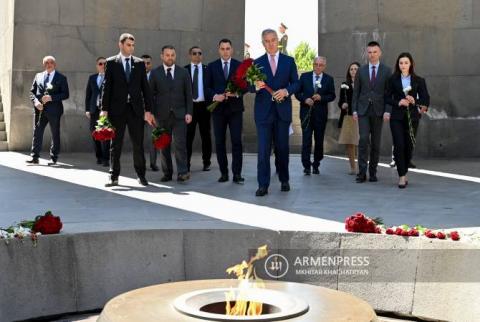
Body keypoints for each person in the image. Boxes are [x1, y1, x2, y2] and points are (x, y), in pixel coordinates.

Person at [101, 33, 155, 187]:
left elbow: (146, 89)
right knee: (115, 144)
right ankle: (113, 176)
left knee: (138, 144)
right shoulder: (111, 63)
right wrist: (103, 109)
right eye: (128, 45)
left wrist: (148, 110)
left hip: (135, 111)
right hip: (116, 110)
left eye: (133, 45)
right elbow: (107, 87)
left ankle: (141, 175)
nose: (131, 48)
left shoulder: (139, 63)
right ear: (120, 44)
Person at [252, 29, 299, 196]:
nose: (270, 43)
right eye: (267, 41)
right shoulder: (256, 63)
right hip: (263, 114)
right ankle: (262, 185)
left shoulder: (288, 61)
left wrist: (286, 91)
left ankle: (284, 179)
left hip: (282, 113)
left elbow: (296, 84)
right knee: (263, 150)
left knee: (282, 148)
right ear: (262, 43)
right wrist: (256, 85)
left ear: (277, 40)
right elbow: (249, 86)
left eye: (273, 40)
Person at [149, 45, 193, 182]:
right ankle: (167, 173)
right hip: (161, 116)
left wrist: (189, 112)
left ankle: (182, 172)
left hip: (180, 114)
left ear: (175, 56)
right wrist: (150, 113)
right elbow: (150, 95)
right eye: (167, 55)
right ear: (162, 56)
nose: (170, 57)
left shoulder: (183, 72)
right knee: (164, 145)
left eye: (172, 55)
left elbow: (189, 94)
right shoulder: (155, 73)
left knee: (180, 144)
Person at [385, 52, 429, 188]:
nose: (403, 65)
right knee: (399, 145)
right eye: (401, 63)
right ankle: (402, 176)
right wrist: (399, 102)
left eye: (406, 63)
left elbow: (426, 99)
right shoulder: (392, 79)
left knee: (409, 146)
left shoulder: (419, 80)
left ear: (411, 64)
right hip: (396, 117)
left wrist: (414, 100)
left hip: (412, 117)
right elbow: (386, 97)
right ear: (398, 64)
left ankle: (405, 168)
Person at [206, 39, 245, 184]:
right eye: (222, 48)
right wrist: (215, 96)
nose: (225, 51)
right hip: (218, 110)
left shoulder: (239, 66)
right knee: (220, 142)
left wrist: (237, 93)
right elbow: (207, 87)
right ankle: (224, 173)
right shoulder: (211, 66)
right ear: (219, 50)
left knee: (236, 142)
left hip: (235, 110)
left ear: (232, 50)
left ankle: (237, 174)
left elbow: (246, 86)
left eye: (228, 48)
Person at [352, 41, 392, 183]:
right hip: (363, 111)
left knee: (375, 143)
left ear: (379, 53)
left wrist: (388, 110)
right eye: (369, 52)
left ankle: (373, 172)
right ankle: (361, 173)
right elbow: (356, 92)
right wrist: (354, 110)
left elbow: (389, 94)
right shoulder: (361, 71)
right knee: (363, 140)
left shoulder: (387, 71)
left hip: (378, 111)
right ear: (366, 53)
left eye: (375, 52)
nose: (372, 55)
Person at [295, 56, 336, 175]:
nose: (318, 67)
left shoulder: (329, 79)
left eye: (320, 65)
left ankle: (316, 163)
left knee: (319, 141)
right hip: (306, 114)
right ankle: (306, 165)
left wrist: (321, 98)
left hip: (320, 115)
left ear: (324, 66)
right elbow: (297, 93)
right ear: (313, 65)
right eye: (315, 64)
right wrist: (305, 99)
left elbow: (332, 95)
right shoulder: (304, 76)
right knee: (306, 140)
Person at [27, 55, 69, 165]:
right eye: (46, 63)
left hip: (54, 110)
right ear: (43, 64)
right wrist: (36, 102)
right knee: (37, 132)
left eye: (50, 62)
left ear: (54, 65)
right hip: (40, 110)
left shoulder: (61, 78)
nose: (48, 64)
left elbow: (65, 94)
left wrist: (51, 98)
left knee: (55, 133)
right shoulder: (38, 76)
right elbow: (32, 92)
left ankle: (53, 157)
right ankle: (35, 157)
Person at [185, 46, 212, 172]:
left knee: (206, 135)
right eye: (194, 53)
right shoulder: (184, 70)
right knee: (188, 136)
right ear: (190, 55)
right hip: (190, 107)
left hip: (204, 107)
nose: (197, 55)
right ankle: (186, 163)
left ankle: (206, 162)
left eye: (200, 53)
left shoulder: (208, 70)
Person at [85, 56, 110, 167]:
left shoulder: (110, 78)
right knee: (95, 134)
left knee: (105, 135)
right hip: (94, 111)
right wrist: (87, 109)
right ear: (97, 66)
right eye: (100, 64)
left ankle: (106, 159)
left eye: (105, 64)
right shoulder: (92, 78)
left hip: (105, 111)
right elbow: (88, 95)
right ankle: (99, 156)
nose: (103, 66)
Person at [337, 62, 361, 174]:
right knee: (350, 143)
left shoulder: (364, 84)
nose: (353, 71)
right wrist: (342, 105)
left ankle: (362, 167)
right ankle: (352, 167)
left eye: (356, 69)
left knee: (361, 142)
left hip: (361, 117)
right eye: (351, 69)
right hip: (348, 116)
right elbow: (340, 101)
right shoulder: (344, 84)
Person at [141, 54, 159, 172]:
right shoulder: (135, 76)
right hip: (138, 112)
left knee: (154, 138)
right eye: (144, 63)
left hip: (152, 112)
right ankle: (141, 163)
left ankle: (153, 163)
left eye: (148, 63)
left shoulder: (156, 76)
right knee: (139, 139)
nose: (146, 65)